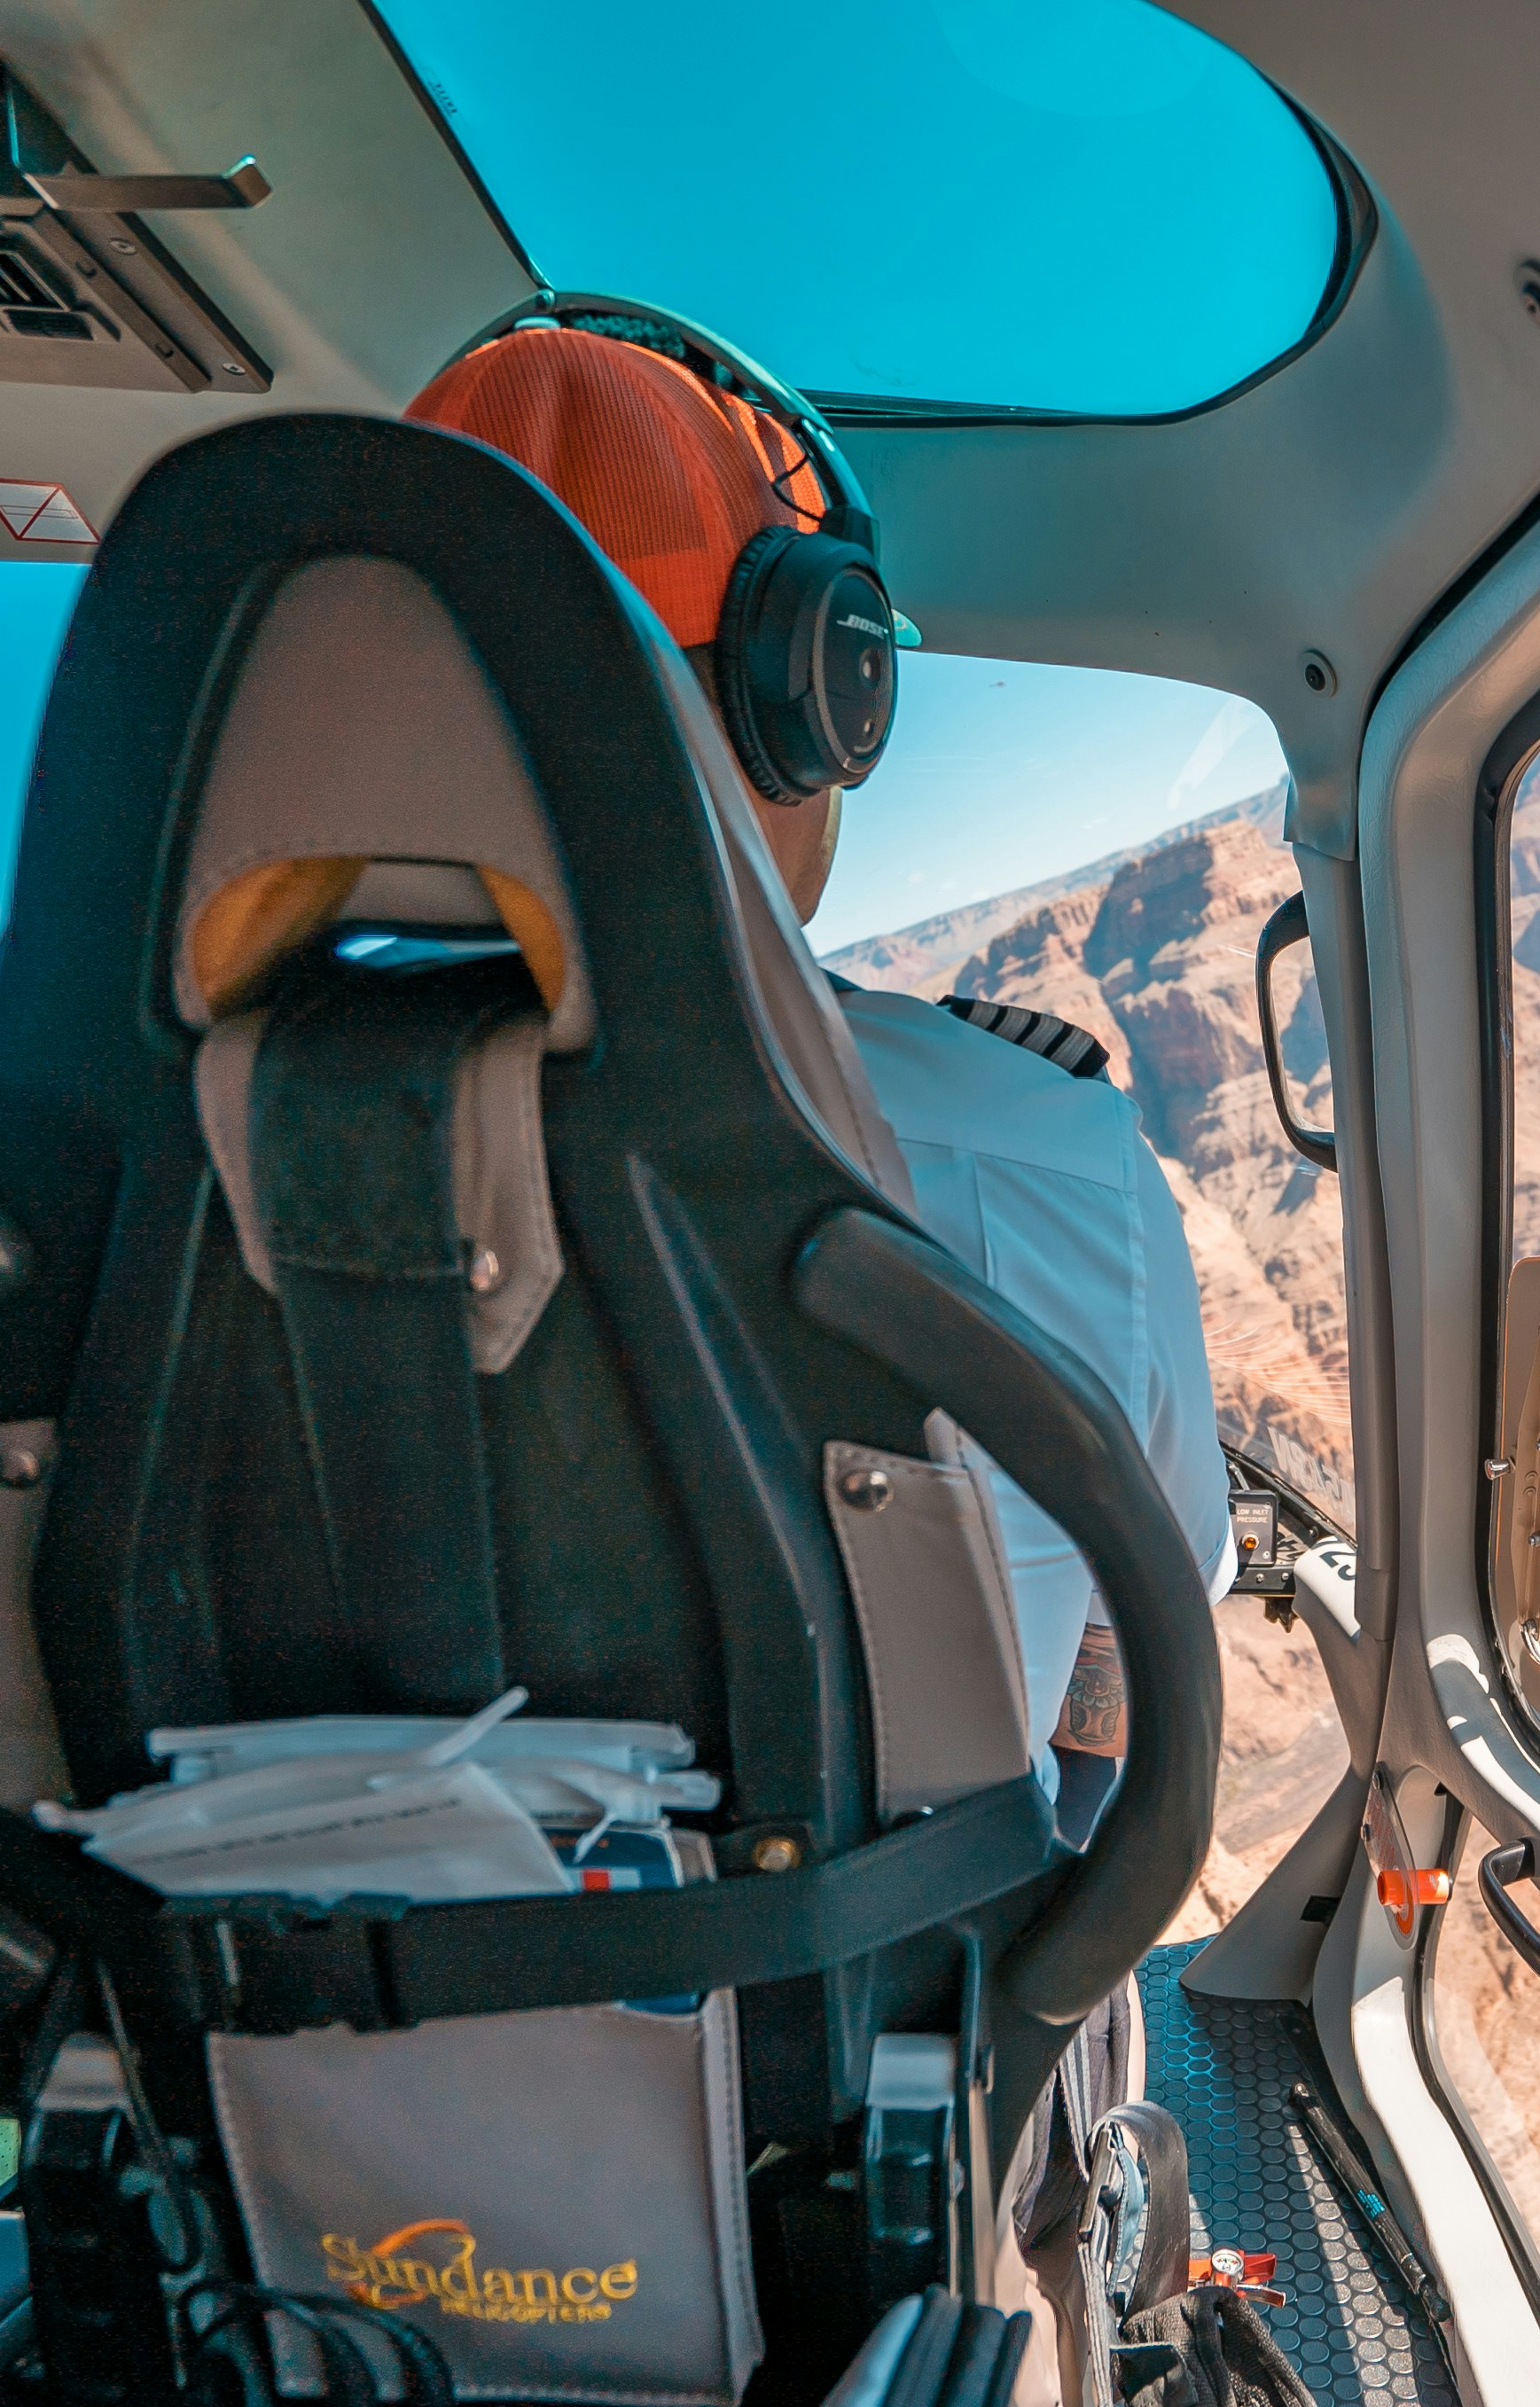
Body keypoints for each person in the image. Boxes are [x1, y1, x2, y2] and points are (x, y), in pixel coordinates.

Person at [403, 324, 1236, 1818]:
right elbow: (1124, 1666)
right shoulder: (1052, 1162)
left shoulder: (77, 1173)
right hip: (883, 2035)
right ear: (816, 689)